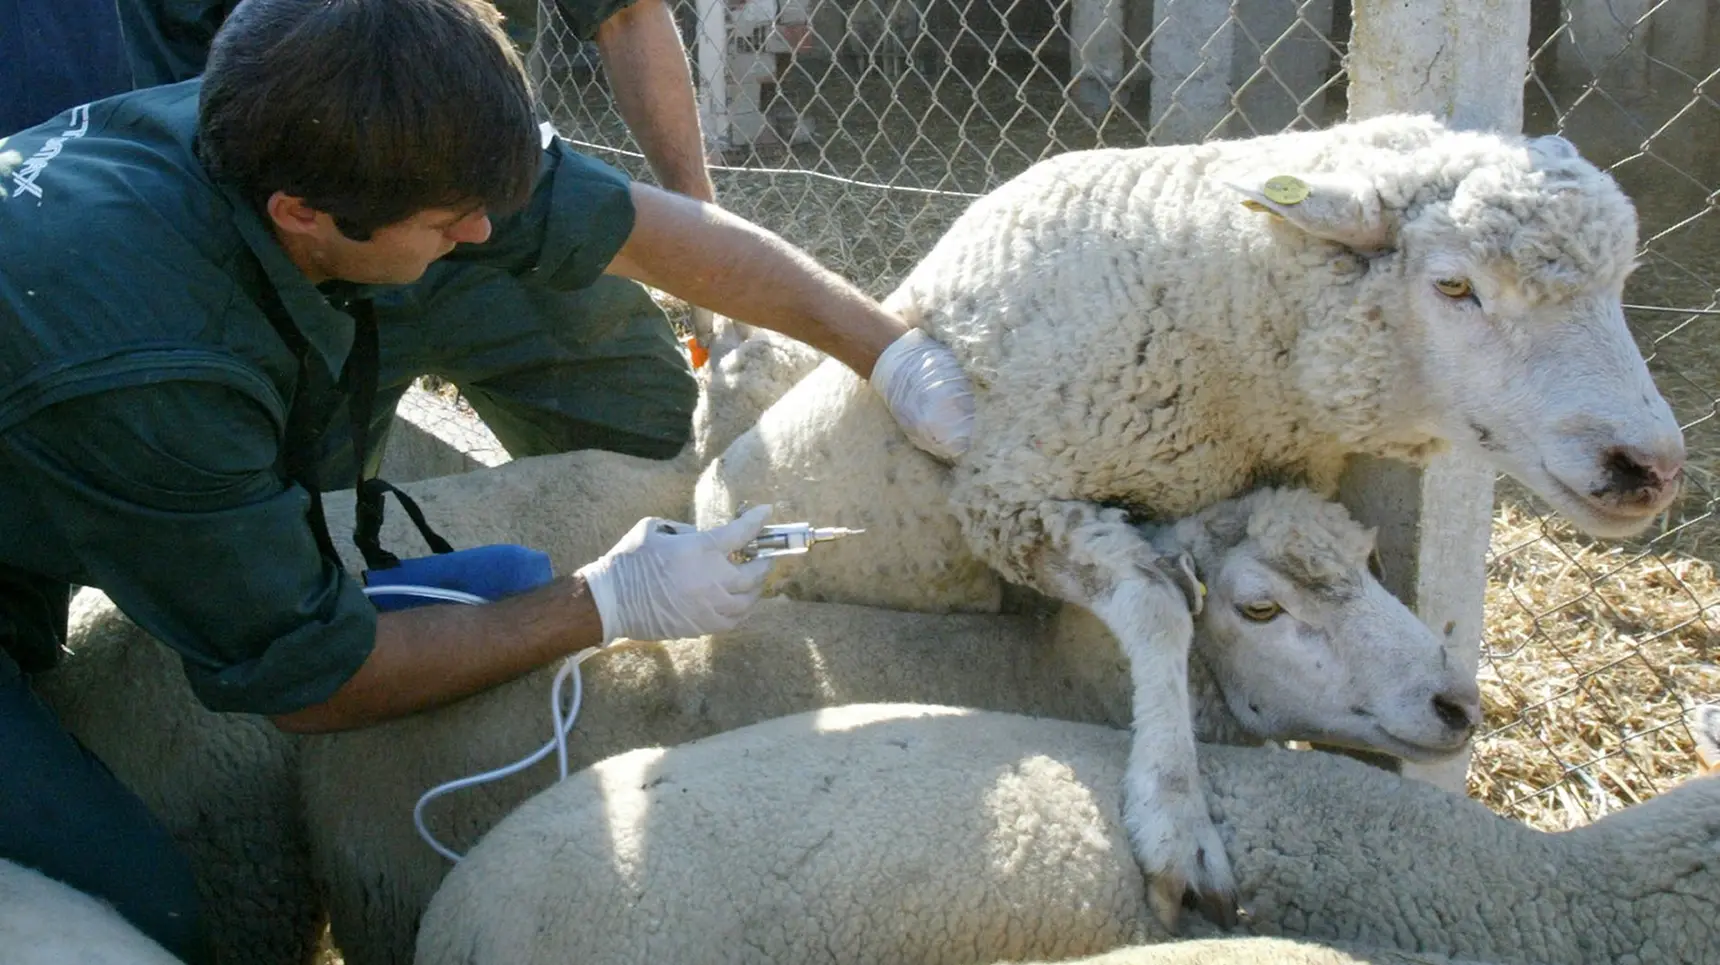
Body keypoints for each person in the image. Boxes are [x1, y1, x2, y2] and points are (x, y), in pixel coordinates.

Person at [0, 2, 975, 963]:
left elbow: (641, 230)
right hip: (73, 383)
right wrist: (605, 600)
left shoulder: (328, 119)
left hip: (51, 416)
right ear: (301, 215)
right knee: (146, 919)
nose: (481, 234)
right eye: (446, 222)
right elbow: (313, 677)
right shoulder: (157, 376)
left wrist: (886, 351)